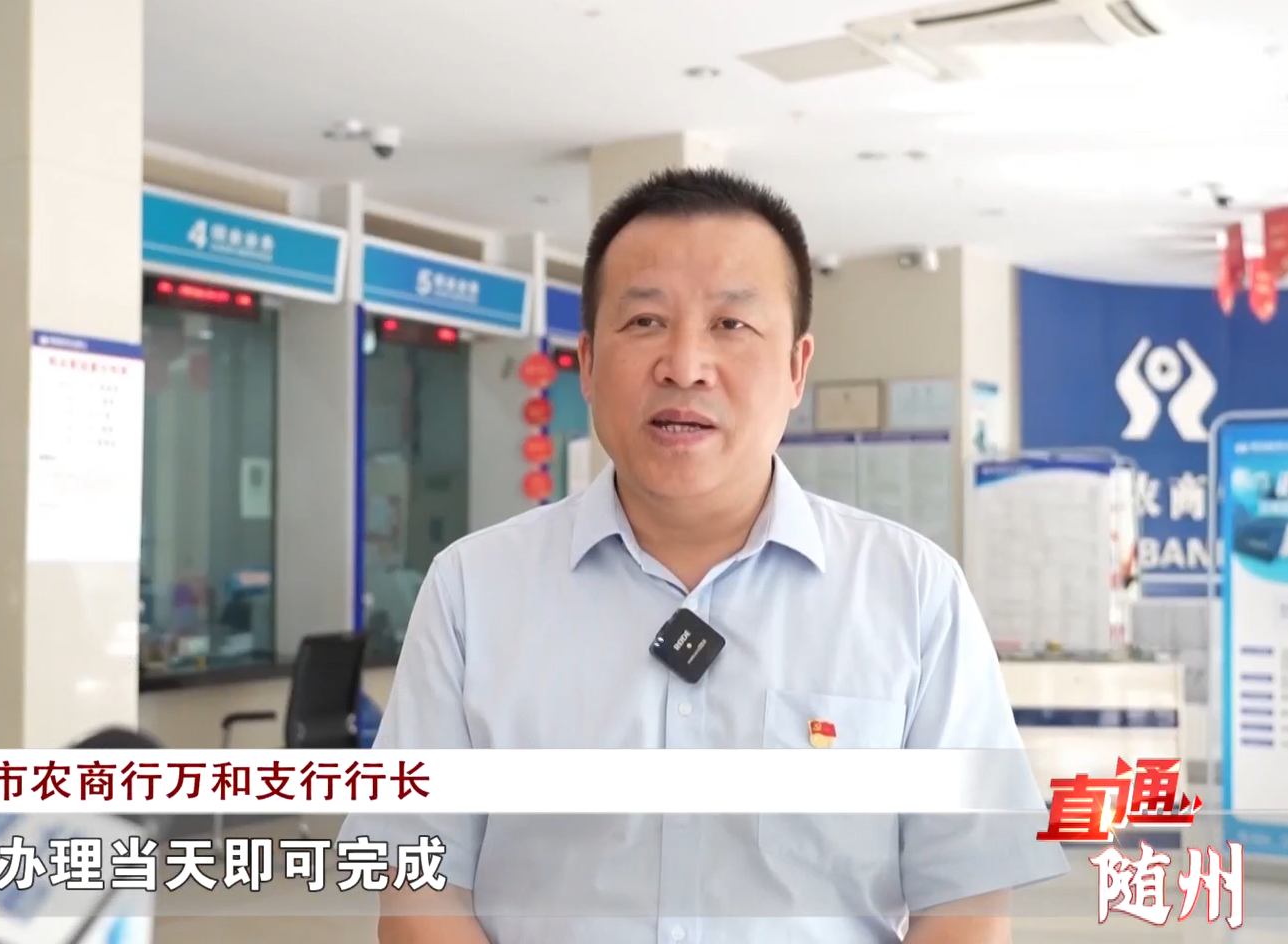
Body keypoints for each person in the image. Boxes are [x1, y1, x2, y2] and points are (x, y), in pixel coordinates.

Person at [338, 167, 1067, 944]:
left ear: (796, 367)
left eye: (731, 324)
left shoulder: (913, 593)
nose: (684, 365)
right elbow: (418, 889)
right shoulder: (472, 591)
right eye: (644, 321)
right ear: (587, 362)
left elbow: (964, 903)